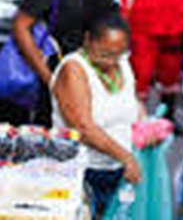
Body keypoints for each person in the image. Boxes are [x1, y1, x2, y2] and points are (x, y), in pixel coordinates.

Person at [51, 12, 141, 218]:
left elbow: (130, 105)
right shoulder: (73, 68)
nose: (110, 61)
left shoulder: (123, 64)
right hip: (83, 172)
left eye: (116, 54)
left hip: (117, 171)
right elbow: (83, 128)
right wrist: (125, 157)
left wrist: (148, 127)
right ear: (87, 40)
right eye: (103, 54)